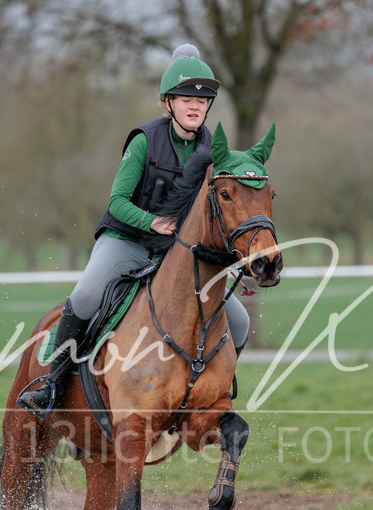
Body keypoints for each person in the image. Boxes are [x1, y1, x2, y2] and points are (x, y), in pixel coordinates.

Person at [18, 44, 250, 417]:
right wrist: (151, 221)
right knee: (85, 296)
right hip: (127, 240)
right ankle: (52, 385)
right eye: (187, 98)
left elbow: (222, 216)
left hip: (176, 254)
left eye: (204, 101)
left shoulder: (213, 148)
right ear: (168, 102)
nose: (196, 106)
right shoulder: (145, 140)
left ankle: (210, 389)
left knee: (239, 320)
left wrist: (234, 264)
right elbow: (118, 202)